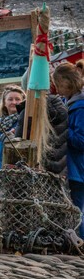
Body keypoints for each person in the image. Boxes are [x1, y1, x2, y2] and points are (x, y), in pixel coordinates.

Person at [52, 61, 84, 240]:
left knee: (79, 210)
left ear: (66, 82)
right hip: (70, 167)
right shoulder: (68, 102)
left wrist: (63, 128)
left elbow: (81, 140)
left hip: (78, 169)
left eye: (57, 84)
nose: (56, 89)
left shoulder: (80, 107)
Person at [0, 85, 26, 170]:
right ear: (4, 103)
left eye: (17, 99)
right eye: (10, 99)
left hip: (17, 170)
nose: (14, 102)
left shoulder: (25, 121)